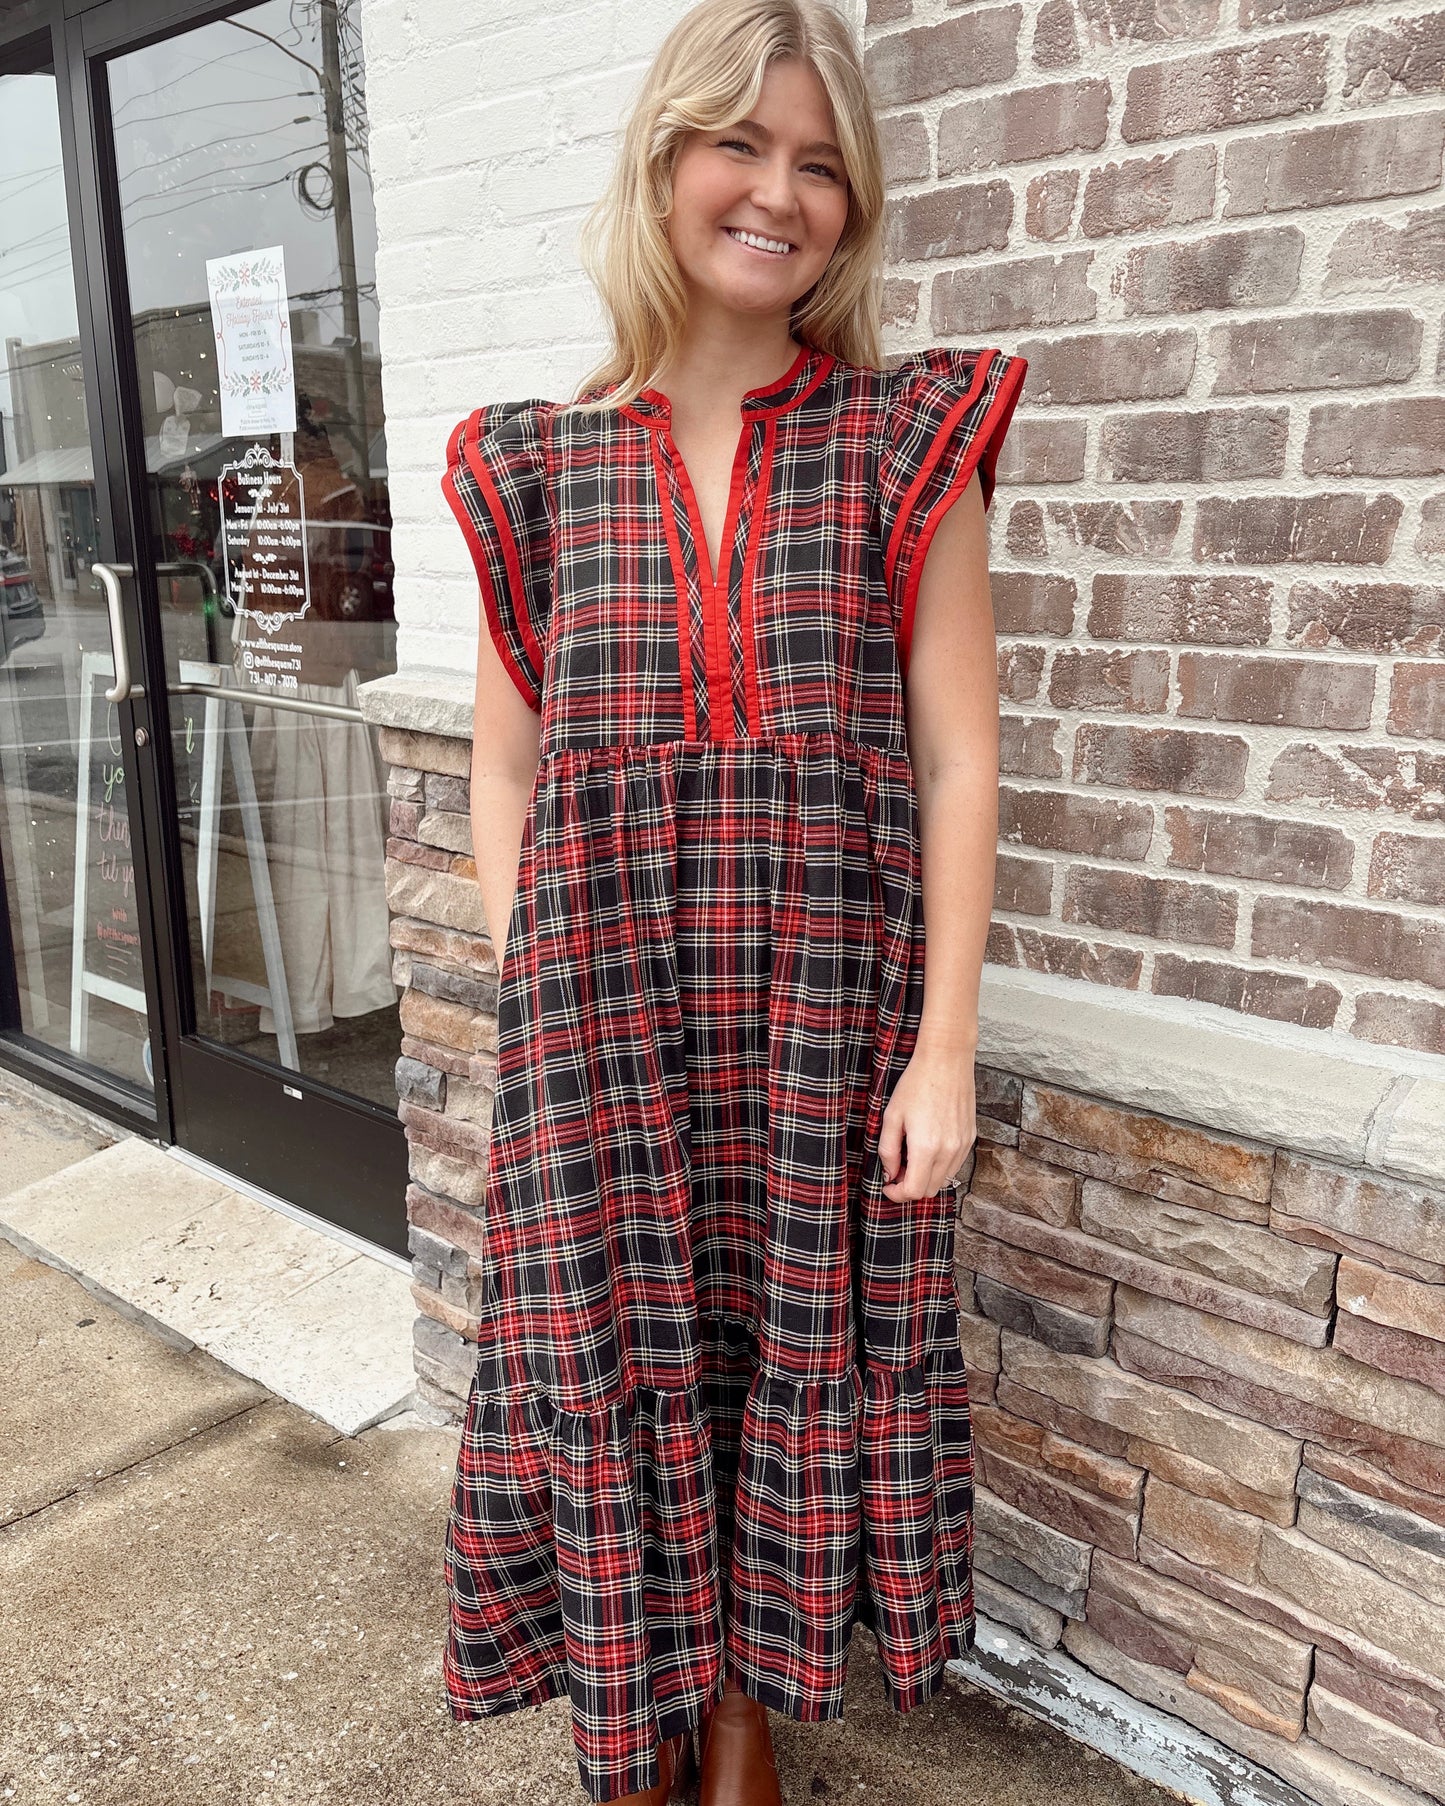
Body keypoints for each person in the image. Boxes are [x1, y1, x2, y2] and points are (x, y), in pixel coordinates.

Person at [438, 2, 1027, 1801]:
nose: (778, 193)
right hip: (602, 1032)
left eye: (823, 166)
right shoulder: (534, 467)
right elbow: (504, 768)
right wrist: (532, 978)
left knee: (775, 1362)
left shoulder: (901, 445)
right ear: (663, 161)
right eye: (743, 146)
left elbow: (957, 765)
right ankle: (648, 1716)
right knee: (621, 1364)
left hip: (814, 1033)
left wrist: (943, 1047)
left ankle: (749, 1722)